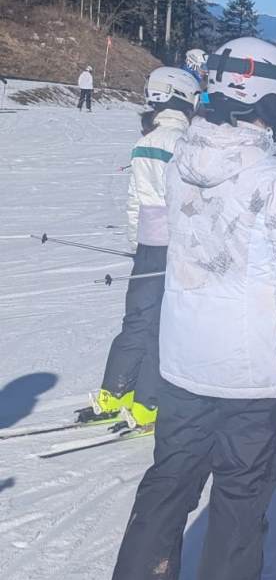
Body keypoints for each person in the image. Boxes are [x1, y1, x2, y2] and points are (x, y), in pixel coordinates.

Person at [92, 36, 276, 580]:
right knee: (239, 503)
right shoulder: (274, 178)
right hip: (248, 373)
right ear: (269, 100)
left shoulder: (181, 156)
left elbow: (171, 244)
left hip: (181, 360)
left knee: (167, 484)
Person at [86, 67, 200, 431]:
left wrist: (136, 241)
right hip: (176, 245)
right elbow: (190, 202)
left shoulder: (145, 141)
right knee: (164, 325)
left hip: (148, 242)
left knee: (137, 319)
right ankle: (147, 403)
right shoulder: (183, 143)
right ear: (185, 99)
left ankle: (113, 393)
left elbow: (136, 198)